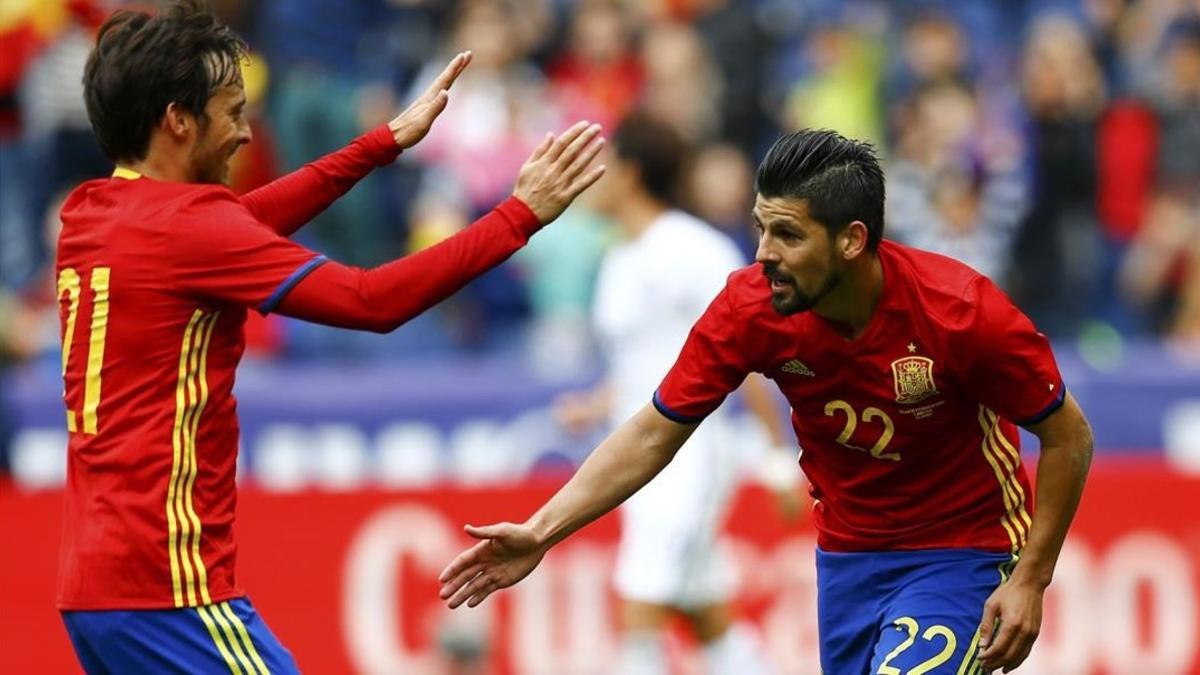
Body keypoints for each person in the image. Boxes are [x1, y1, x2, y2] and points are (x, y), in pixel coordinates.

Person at [55, 2, 605, 673]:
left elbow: (245, 219)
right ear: (177, 120)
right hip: (169, 586)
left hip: (94, 588)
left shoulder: (93, 213)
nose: (244, 133)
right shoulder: (191, 230)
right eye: (232, 110)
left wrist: (382, 142)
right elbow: (371, 300)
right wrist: (518, 217)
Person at [439, 129, 1094, 674]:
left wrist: (1031, 577)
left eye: (787, 235)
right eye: (760, 228)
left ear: (852, 239)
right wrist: (542, 530)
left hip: (963, 548)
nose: (764, 253)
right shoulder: (749, 307)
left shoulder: (962, 312)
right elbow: (653, 430)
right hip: (847, 557)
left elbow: (1069, 435)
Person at [552, 113, 796, 674]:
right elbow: (651, 362)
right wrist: (596, 404)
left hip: (686, 459)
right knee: (708, 617)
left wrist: (779, 459)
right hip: (634, 455)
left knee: (640, 606)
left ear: (631, 172)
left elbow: (750, 353)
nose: (594, 175)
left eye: (604, 162)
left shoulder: (693, 249)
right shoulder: (617, 257)